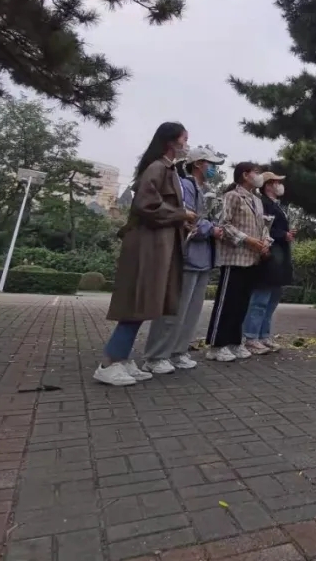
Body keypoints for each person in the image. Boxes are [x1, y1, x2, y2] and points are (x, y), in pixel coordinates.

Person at [95, 122, 196, 387]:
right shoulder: (157, 167)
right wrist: (181, 214)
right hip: (147, 246)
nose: (187, 144)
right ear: (171, 141)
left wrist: (181, 220)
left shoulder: (168, 169)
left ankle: (122, 358)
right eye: (184, 139)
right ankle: (109, 363)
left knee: (144, 303)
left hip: (158, 245)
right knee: (137, 303)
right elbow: (146, 205)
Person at [141, 146, 226, 374]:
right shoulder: (185, 186)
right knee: (174, 310)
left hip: (203, 259)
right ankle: (156, 355)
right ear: (197, 164)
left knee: (191, 312)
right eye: (210, 164)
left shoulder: (204, 191)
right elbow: (187, 219)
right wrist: (210, 229)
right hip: (187, 257)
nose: (213, 169)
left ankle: (178, 352)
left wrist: (213, 227)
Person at [204, 162, 270, 361]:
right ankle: (217, 345)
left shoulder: (257, 200)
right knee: (227, 303)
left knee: (242, 304)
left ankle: (234, 342)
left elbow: (263, 226)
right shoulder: (232, 195)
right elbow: (224, 224)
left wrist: (265, 242)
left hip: (252, 259)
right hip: (234, 258)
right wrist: (247, 240)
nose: (259, 176)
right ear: (245, 175)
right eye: (256, 172)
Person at [242, 171, 293, 355]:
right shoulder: (262, 203)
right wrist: (282, 234)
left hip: (279, 257)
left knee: (272, 299)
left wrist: (286, 234)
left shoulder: (275, 205)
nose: (280, 185)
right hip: (268, 256)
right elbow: (262, 228)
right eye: (277, 182)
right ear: (268, 185)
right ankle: (251, 337)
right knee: (260, 300)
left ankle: (263, 335)